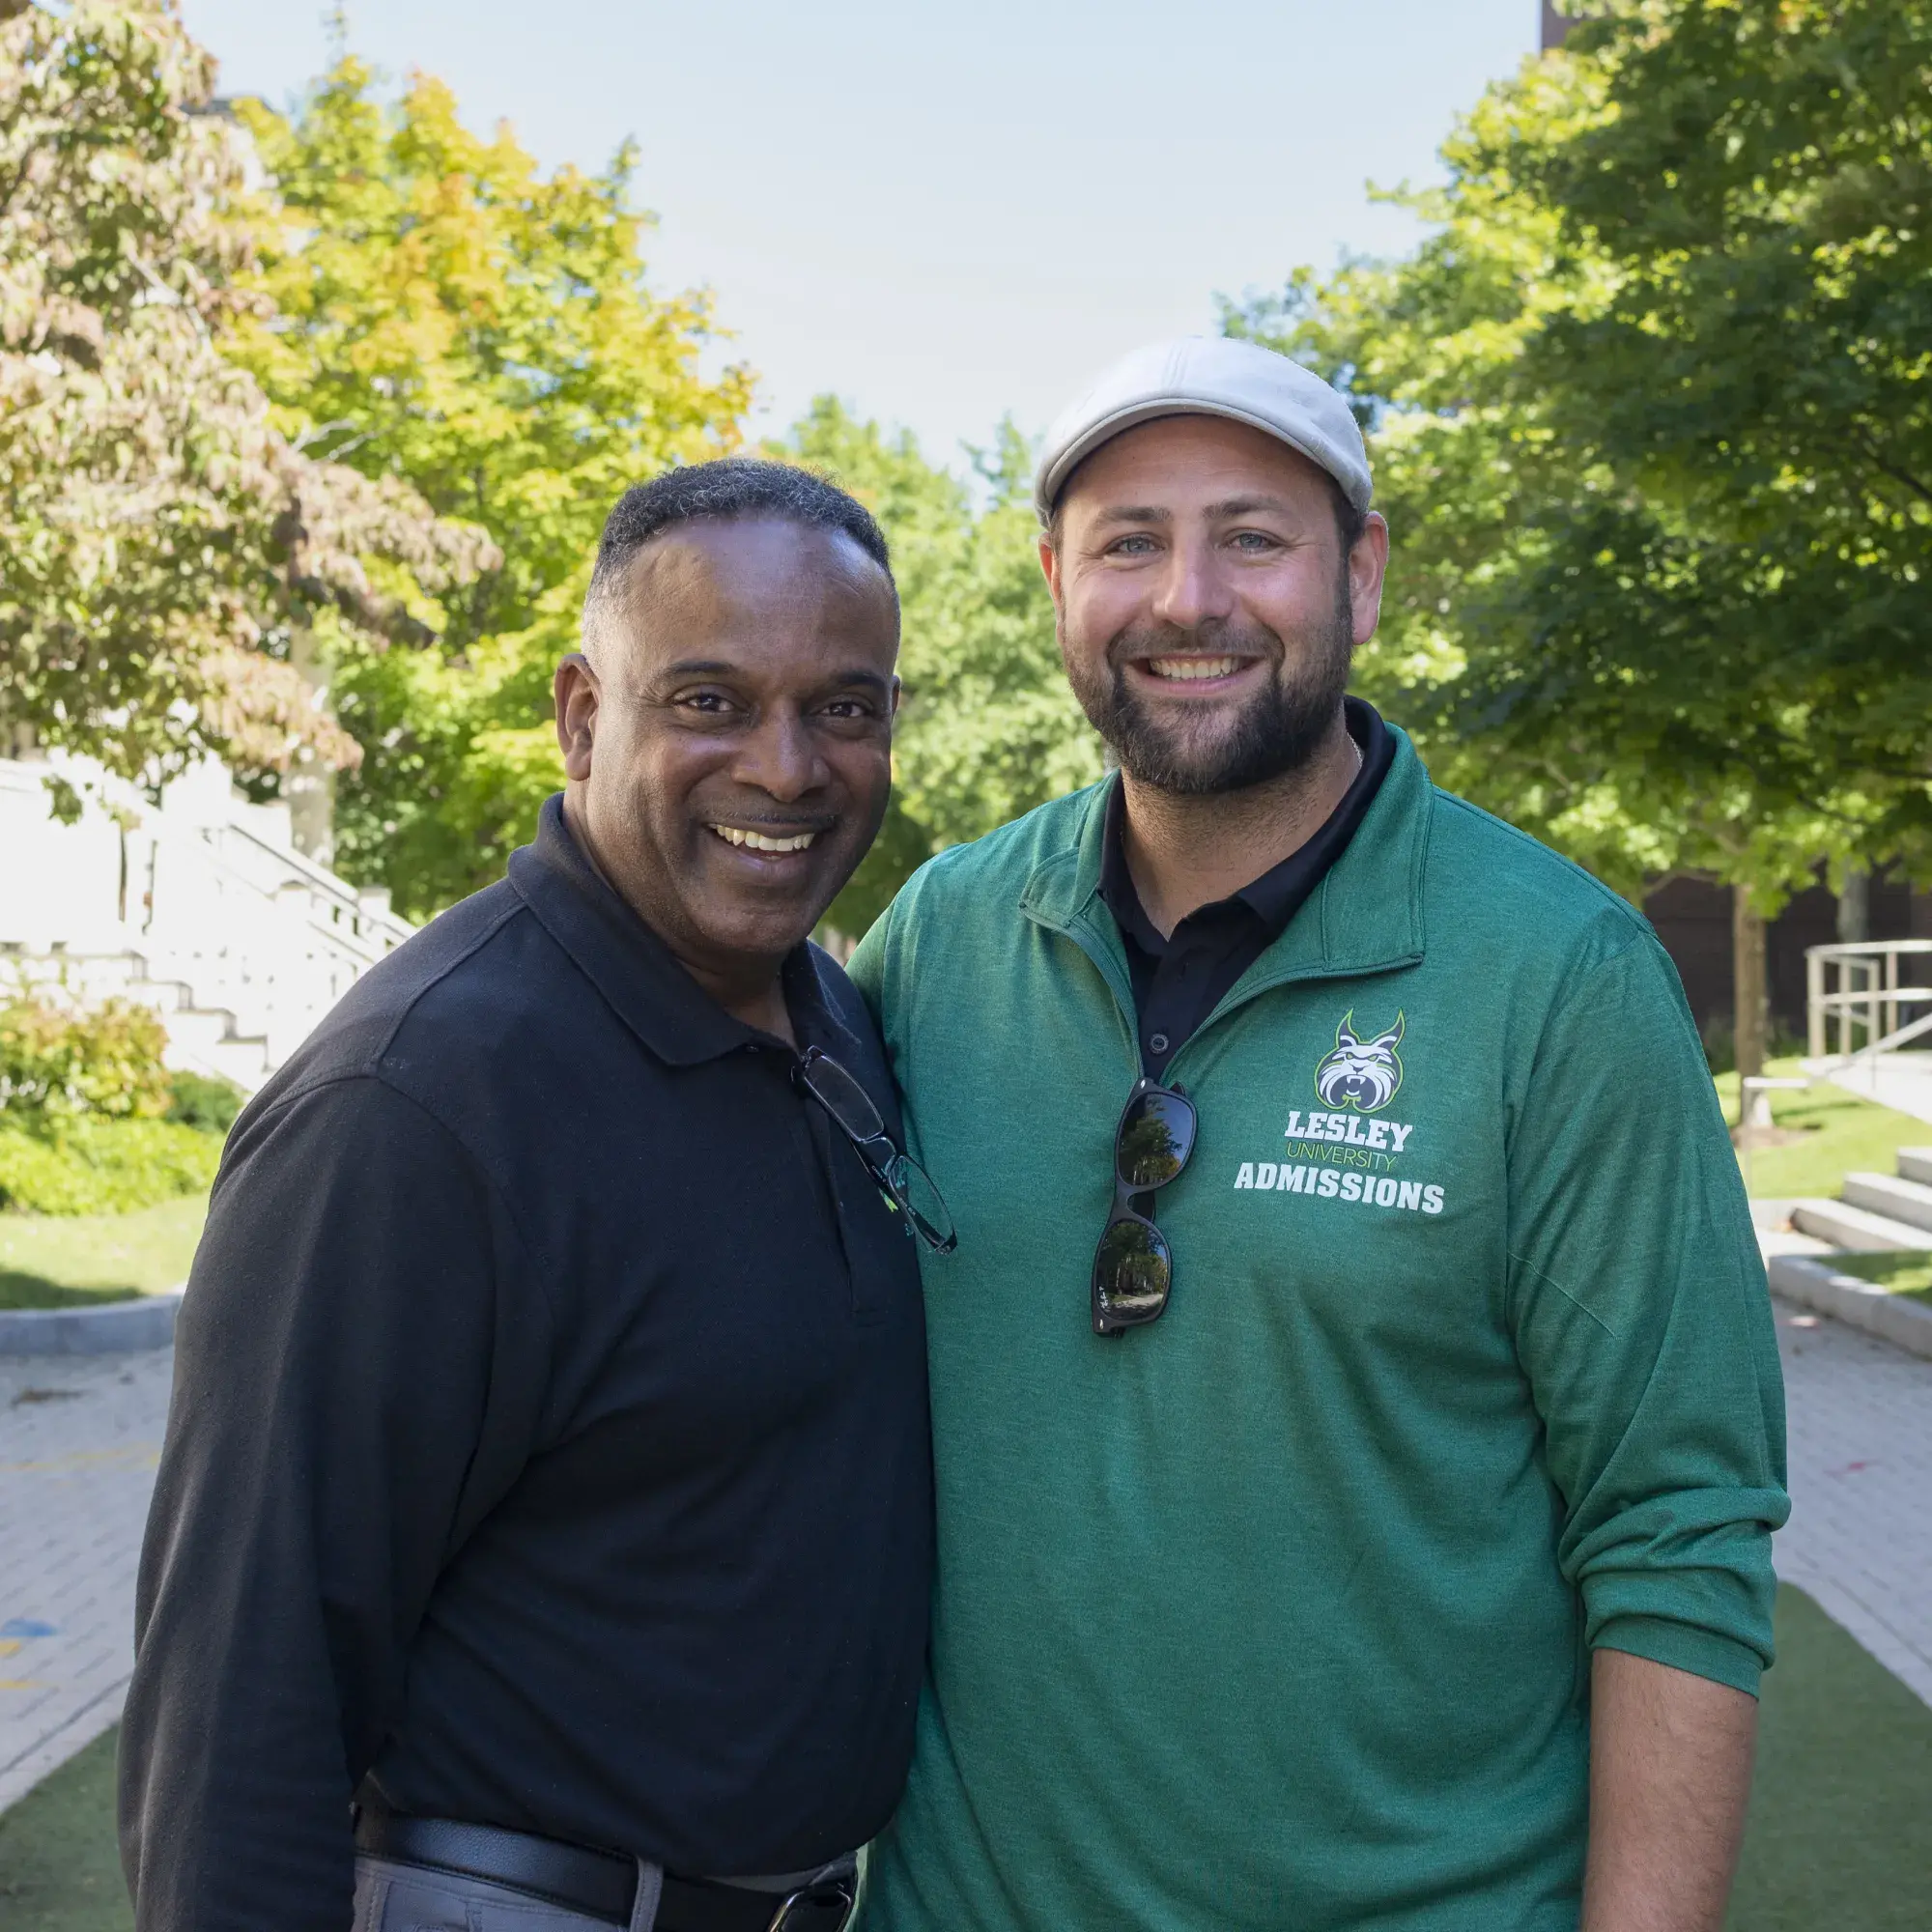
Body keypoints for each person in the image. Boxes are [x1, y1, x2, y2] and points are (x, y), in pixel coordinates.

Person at [849, 336, 1788, 1932]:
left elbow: (1677, 1530)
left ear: (1361, 579)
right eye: (1128, 541)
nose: (1188, 598)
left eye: (1254, 536)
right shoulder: (941, 939)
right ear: (1055, 584)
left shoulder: (1562, 979)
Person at [121, 459, 951, 1932]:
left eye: (844, 706)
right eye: (709, 701)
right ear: (583, 716)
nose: (787, 766)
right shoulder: (412, 1104)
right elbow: (245, 1686)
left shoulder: (834, 1021)